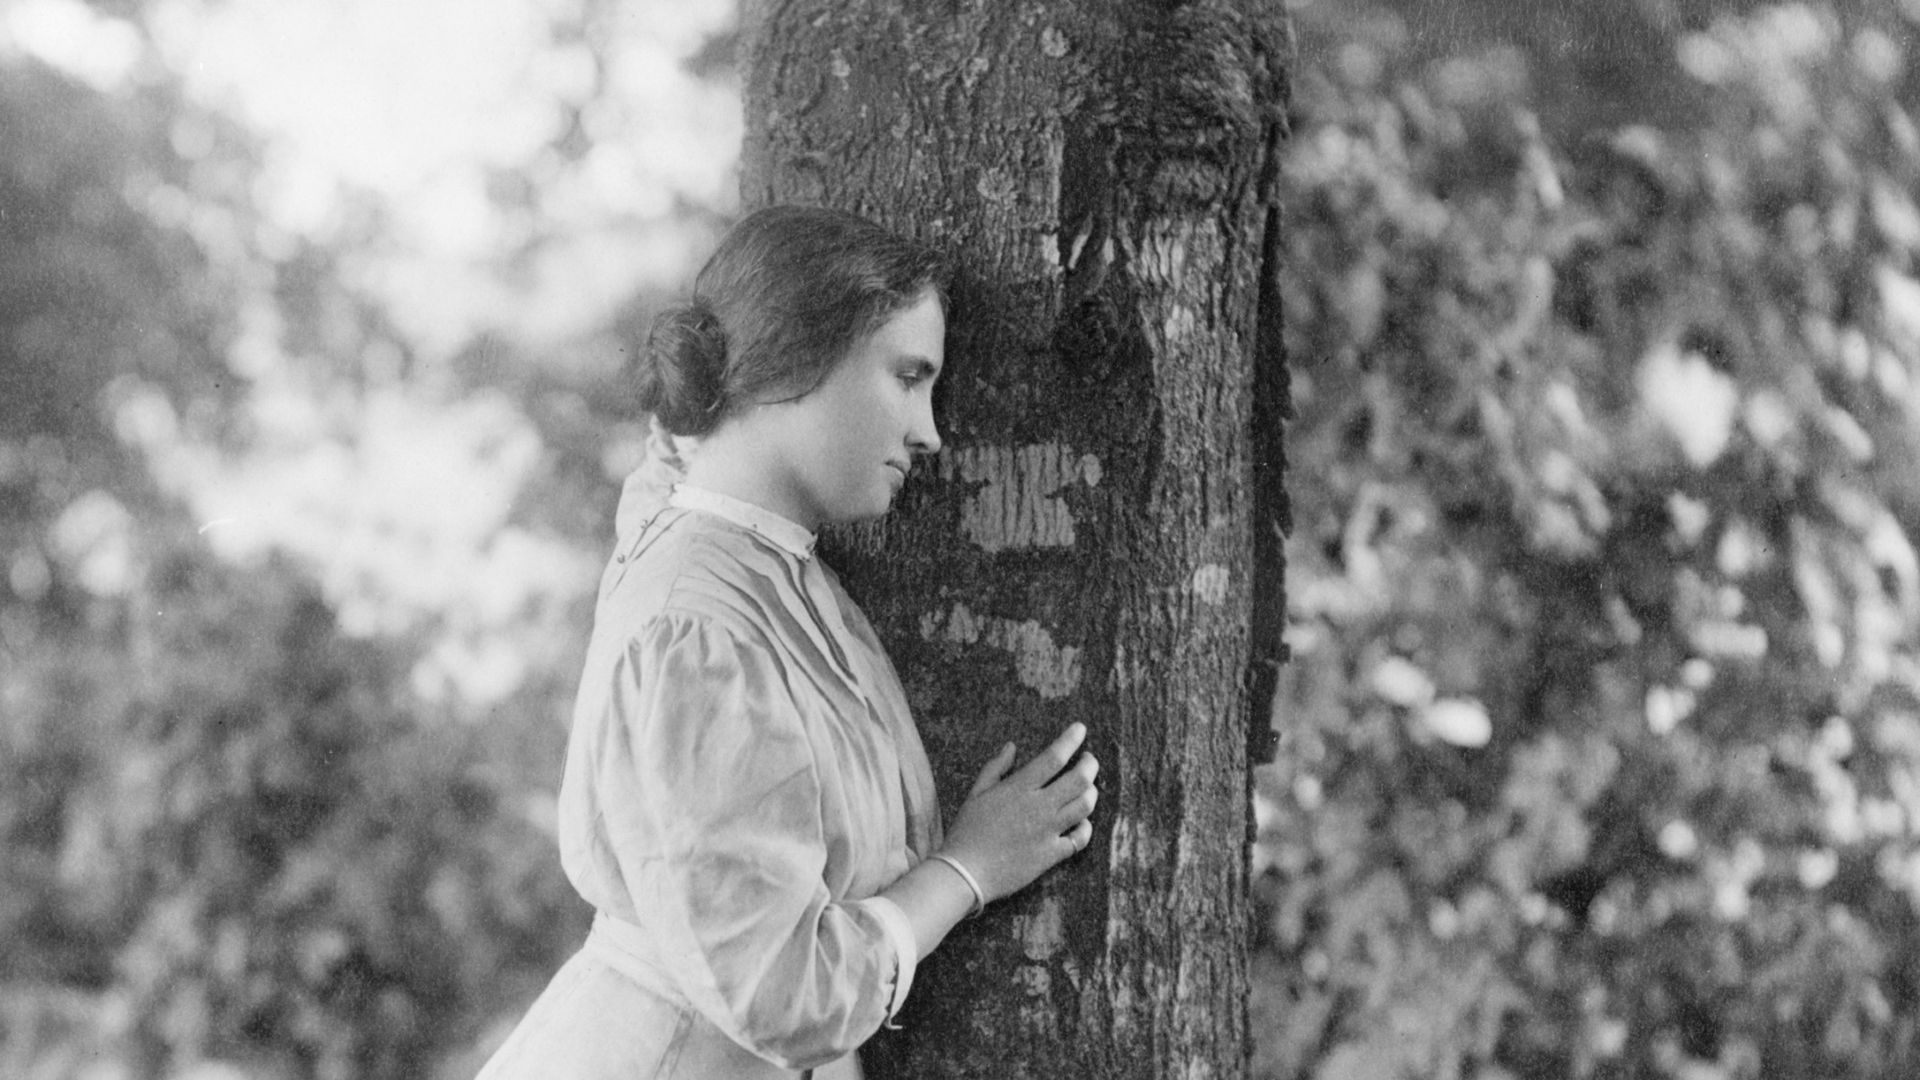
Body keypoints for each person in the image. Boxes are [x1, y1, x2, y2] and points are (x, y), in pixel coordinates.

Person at [475, 205, 1100, 1080]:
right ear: (796, 362)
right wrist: (968, 870)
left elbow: (682, 447)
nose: (929, 432)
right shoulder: (701, 632)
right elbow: (786, 994)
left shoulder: (735, 547)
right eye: (907, 377)